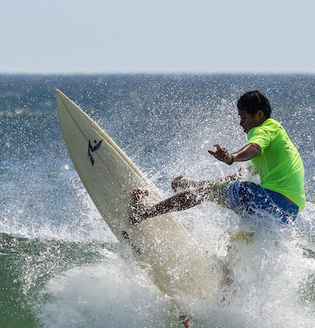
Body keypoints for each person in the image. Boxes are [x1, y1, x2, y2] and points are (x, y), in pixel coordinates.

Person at [129, 90, 305, 226]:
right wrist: (192, 183)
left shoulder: (265, 129)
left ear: (259, 115)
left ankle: (143, 213)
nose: (241, 123)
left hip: (268, 200)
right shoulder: (276, 143)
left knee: (202, 195)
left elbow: (253, 147)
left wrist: (231, 157)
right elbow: (236, 178)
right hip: (286, 213)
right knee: (236, 251)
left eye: (243, 117)